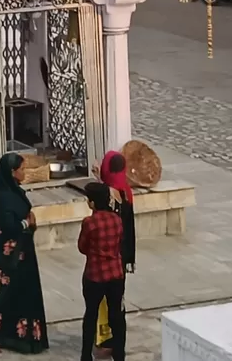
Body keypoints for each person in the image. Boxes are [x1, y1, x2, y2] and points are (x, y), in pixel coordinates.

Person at [0, 153, 49, 355]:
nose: (24, 172)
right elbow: (9, 226)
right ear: (12, 172)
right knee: (8, 292)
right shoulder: (2, 196)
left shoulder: (17, 192)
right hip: (11, 252)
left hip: (25, 249)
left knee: (27, 292)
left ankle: (23, 338)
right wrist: (26, 223)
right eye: (21, 169)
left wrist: (30, 224)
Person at [92, 151, 136, 358]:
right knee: (118, 303)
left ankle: (109, 342)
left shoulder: (107, 196)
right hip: (122, 257)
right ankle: (118, 345)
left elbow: (100, 201)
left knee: (103, 303)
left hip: (105, 258)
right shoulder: (126, 192)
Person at [78, 182, 126, 361]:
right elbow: (120, 241)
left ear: (91, 202)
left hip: (95, 274)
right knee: (116, 315)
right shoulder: (117, 220)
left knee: (91, 314)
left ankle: (85, 356)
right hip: (115, 273)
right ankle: (119, 355)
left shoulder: (89, 223)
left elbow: (82, 247)